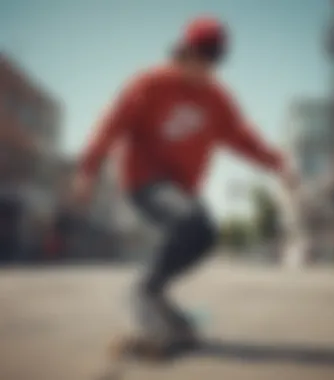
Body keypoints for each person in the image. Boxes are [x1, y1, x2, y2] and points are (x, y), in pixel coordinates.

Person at [71, 16, 297, 356]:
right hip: (143, 181)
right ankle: (144, 292)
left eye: (214, 62)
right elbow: (112, 123)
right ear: (184, 52)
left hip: (182, 189)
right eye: (200, 58)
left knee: (205, 234)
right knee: (189, 221)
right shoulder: (150, 84)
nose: (205, 69)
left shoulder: (217, 99)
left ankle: (156, 292)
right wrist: (88, 169)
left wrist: (279, 164)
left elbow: (243, 138)